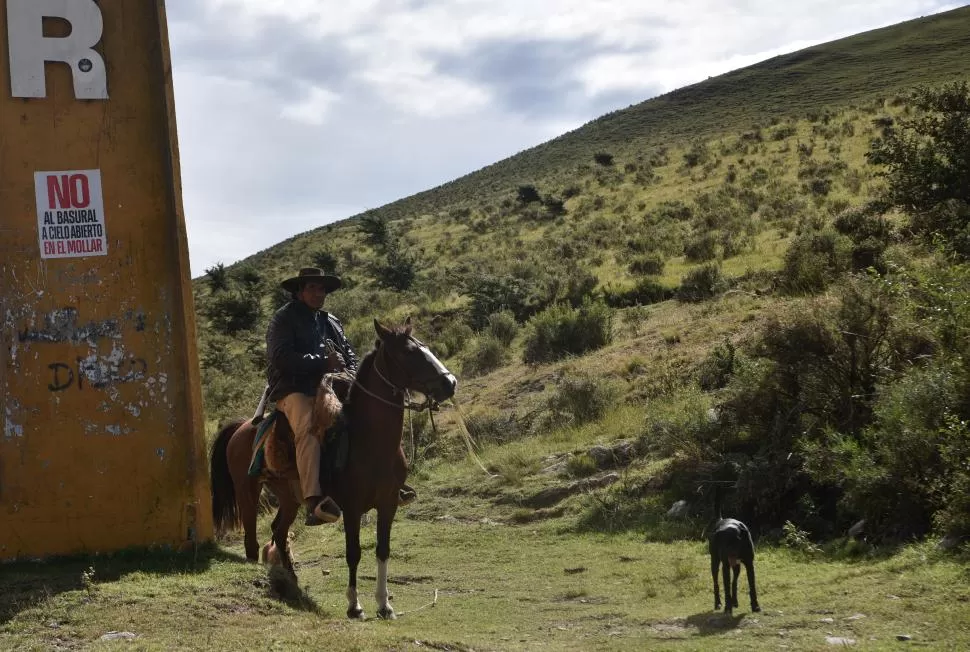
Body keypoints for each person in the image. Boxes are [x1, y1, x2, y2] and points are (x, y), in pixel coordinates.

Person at [264, 267, 415, 527]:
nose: (319, 293)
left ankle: (389, 481)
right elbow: (281, 358)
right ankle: (314, 500)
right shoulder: (283, 319)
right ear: (299, 291)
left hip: (334, 385)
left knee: (371, 415)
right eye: (312, 287)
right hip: (294, 388)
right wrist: (323, 362)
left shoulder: (331, 321)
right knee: (309, 426)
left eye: (322, 288)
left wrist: (351, 373)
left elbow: (349, 354)